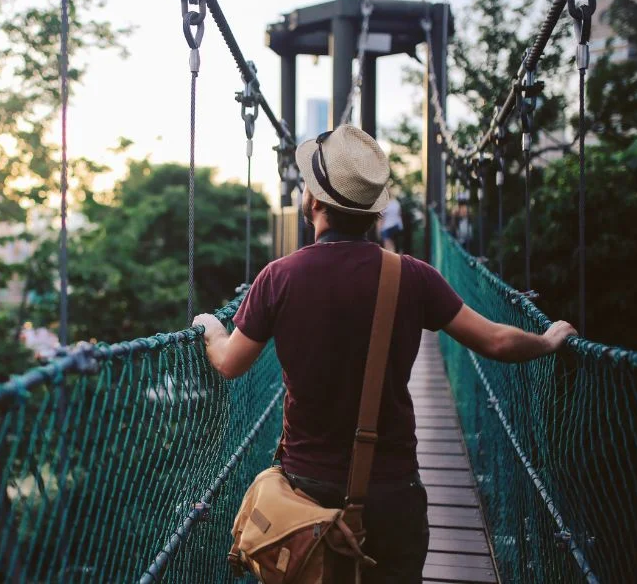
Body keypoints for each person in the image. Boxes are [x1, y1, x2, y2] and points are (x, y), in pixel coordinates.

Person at [192, 124, 576, 583]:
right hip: (393, 489)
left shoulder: (278, 278)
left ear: (314, 203)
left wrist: (210, 327)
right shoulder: (412, 276)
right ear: (374, 213)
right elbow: (494, 340)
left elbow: (230, 363)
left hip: (305, 494)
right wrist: (547, 341)